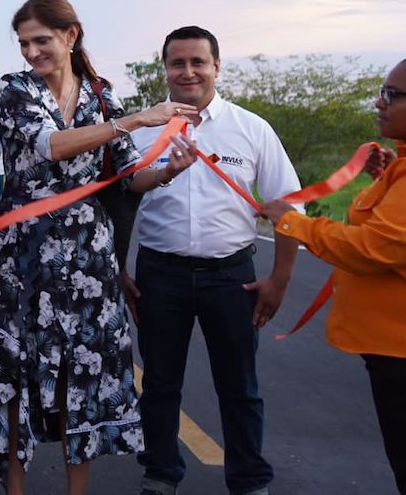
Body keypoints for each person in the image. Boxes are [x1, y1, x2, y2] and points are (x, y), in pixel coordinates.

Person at [0, 0, 198, 495]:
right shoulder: (15, 90)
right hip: (20, 257)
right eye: (24, 43)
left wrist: (167, 171)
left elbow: (127, 177)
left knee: (81, 380)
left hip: (88, 259)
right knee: (14, 379)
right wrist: (135, 119)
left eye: (41, 40)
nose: (30, 52)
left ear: (70, 36)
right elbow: (50, 145)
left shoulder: (101, 96)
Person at [123, 26, 301, 495]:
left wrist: (279, 280)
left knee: (240, 386)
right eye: (177, 63)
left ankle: (248, 480)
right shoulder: (142, 130)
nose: (188, 72)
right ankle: (161, 473)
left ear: (216, 67)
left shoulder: (251, 128)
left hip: (232, 276)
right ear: (165, 69)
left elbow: (290, 208)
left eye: (198, 62)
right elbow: (118, 204)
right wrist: (119, 268)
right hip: (160, 275)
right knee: (160, 383)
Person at [261, 57, 406, 495]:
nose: (380, 103)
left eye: (393, 95)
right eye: (382, 92)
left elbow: (372, 248)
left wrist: (294, 223)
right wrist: (384, 179)